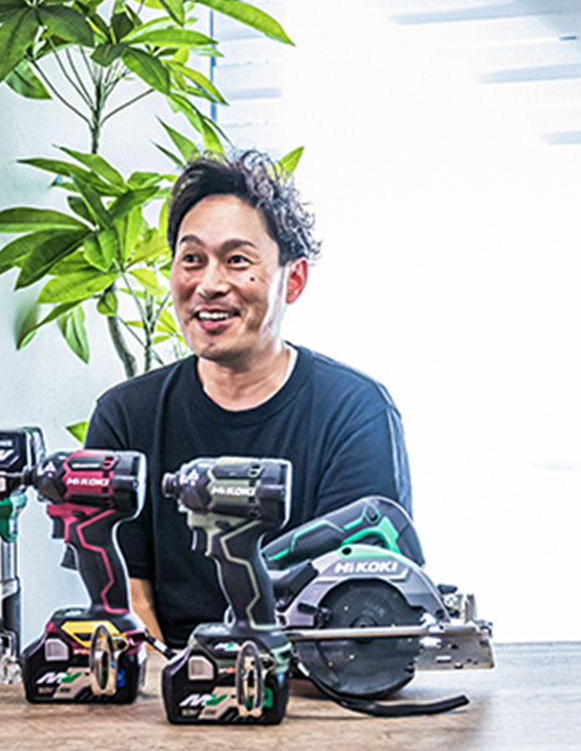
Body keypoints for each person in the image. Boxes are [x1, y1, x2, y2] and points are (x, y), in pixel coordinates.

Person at [85, 150, 412, 649]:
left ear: (293, 280)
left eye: (237, 260)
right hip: (168, 679)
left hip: (310, 677)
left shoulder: (355, 412)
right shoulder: (125, 417)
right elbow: (126, 597)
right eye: (192, 259)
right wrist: (179, 679)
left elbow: (358, 604)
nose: (209, 285)